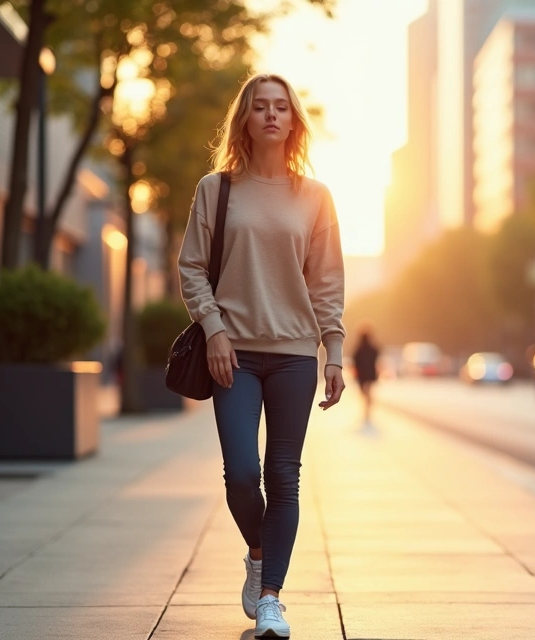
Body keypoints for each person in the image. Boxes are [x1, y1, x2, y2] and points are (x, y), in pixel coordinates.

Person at [177, 73, 345, 639]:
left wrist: (334, 352)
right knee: (242, 475)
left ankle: (271, 595)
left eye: (281, 107)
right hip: (235, 355)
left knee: (284, 476)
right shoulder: (216, 188)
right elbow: (192, 267)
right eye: (260, 107)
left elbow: (326, 282)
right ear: (244, 119)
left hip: (296, 355)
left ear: (294, 120)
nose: (272, 115)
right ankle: (258, 550)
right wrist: (215, 329)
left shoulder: (315, 197)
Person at [351, 326, 379, 425]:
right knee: (368, 392)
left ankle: (367, 409)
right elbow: (377, 356)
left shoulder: (358, 349)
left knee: (364, 393)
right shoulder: (373, 348)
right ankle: (368, 408)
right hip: (371, 373)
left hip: (361, 374)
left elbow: (354, 362)